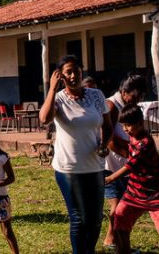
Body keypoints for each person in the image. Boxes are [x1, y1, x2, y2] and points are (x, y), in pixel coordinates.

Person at [38, 54, 113, 254]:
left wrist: (104, 145)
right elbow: (44, 119)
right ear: (61, 76)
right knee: (78, 218)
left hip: (95, 166)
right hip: (69, 169)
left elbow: (108, 124)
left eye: (76, 71)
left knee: (95, 219)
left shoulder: (96, 95)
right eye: (68, 72)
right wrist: (52, 89)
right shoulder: (59, 99)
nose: (73, 76)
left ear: (82, 71)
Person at [105, 104, 159, 254]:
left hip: (153, 193)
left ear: (140, 123)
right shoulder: (133, 137)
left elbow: (130, 165)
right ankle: (124, 251)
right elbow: (127, 146)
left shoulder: (145, 143)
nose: (125, 129)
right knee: (120, 217)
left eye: (128, 125)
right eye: (123, 125)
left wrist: (111, 178)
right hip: (134, 191)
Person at [102, 73, 147, 249]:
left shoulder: (128, 106)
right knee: (117, 206)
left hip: (124, 166)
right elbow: (109, 140)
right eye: (135, 97)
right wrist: (132, 157)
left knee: (127, 205)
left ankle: (113, 240)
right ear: (124, 91)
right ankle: (113, 241)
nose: (137, 101)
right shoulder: (111, 106)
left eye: (141, 97)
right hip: (111, 166)